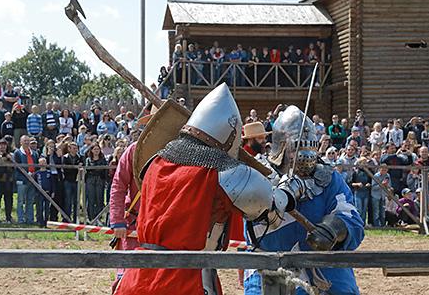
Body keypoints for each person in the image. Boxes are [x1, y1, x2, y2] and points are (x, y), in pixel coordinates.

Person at [115, 84, 298, 295]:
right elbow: (270, 208)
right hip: (183, 278)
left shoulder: (155, 161)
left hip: (140, 272)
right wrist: (288, 190)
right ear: (230, 137)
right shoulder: (220, 172)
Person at [244, 105, 364, 295]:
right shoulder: (260, 176)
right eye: (296, 147)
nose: (303, 156)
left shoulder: (328, 178)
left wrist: (335, 229)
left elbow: (351, 218)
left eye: (309, 147)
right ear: (280, 146)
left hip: (325, 269)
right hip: (273, 270)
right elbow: (254, 231)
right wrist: (279, 200)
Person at [109, 141, 140, 291]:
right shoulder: (135, 149)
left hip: (161, 227)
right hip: (134, 223)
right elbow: (118, 185)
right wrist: (117, 221)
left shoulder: (177, 151)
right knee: (125, 279)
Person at [14, 135, 39, 224]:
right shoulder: (17, 152)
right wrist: (27, 174)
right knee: (21, 201)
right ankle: (20, 219)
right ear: (21, 142)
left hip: (32, 180)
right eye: (25, 141)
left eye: (28, 141)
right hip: (22, 180)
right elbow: (17, 167)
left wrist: (33, 174)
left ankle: (30, 219)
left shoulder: (34, 153)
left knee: (30, 201)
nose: (26, 142)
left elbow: (36, 166)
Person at [85, 143, 108, 222]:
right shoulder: (88, 159)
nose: (96, 151)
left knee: (99, 199)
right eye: (94, 149)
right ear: (91, 150)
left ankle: (99, 218)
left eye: (97, 149)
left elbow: (104, 170)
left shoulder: (103, 159)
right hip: (90, 180)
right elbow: (88, 169)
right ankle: (91, 217)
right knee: (91, 199)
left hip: (100, 180)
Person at [62, 142, 83, 222]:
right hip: (68, 181)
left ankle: (75, 219)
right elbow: (66, 169)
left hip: (76, 181)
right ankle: (67, 218)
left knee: (76, 200)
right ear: (69, 149)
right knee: (68, 200)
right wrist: (75, 167)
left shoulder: (80, 157)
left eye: (76, 148)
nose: (75, 150)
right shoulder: (65, 157)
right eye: (73, 148)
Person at [351, 157, 371, 225]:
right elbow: (351, 183)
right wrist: (357, 184)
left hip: (366, 192)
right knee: (359, 209)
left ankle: (363, 223)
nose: (365, 164)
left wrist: (369, 184)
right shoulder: (355, 172)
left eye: (366, 163)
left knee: (364, 209)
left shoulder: (368, 172)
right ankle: (357, 222)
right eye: (363, 162)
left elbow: (371, 181)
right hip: (358, 192)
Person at [34, 157, 53, 226]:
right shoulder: (37, 173)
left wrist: (52, 191)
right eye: (41, 162)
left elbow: (52, 183)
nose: (42, 164)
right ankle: (40, 221)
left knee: (47, 208)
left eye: (44, 162)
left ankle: (46, 221)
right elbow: (34, 183)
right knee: (39, 207)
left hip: (48, 192)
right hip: (39, 193)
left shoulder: (49, 173)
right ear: (39, 164)